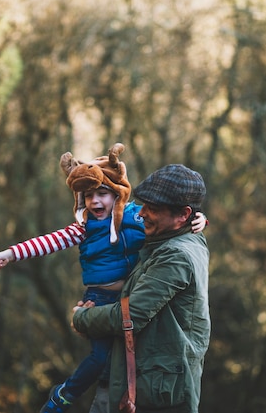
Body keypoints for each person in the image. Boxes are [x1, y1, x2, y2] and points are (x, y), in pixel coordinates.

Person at [0, 146, 208, 413]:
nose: (95, 202)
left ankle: (87, 393)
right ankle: (63, 395)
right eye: (88, 196)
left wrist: (201, 218)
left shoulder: (141, 221)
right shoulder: (85, 227)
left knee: (109, 360)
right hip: (100, 299)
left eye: (102, 194)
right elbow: (49, 242)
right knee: (101, 359)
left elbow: (133, 313)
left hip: (132, 323)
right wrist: (10, 254)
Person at [72, 164, 211, 413]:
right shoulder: (173, 238)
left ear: (183, 214)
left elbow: (130, 316)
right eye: (143, 205)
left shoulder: (175, 255)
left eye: (153, 209)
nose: (143, 213)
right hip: (147, 381)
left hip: (157, 393)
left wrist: (83, 318)